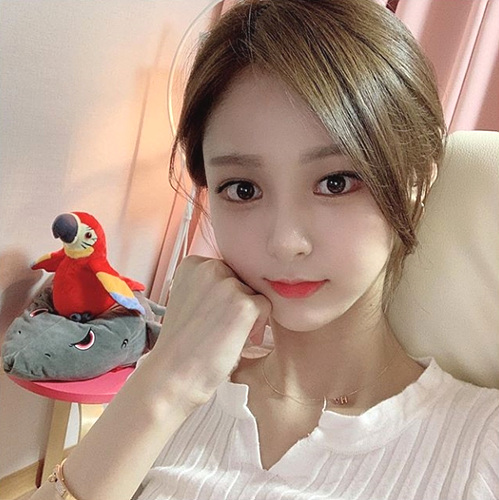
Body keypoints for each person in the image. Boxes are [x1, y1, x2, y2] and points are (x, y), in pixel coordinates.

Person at [31, 0, 499, 499]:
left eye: (336, 182)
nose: (285, 242)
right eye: (243, 189)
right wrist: (164, 385)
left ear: (416, 184)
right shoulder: (171, 384)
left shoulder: (480, 447)